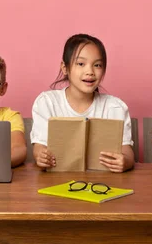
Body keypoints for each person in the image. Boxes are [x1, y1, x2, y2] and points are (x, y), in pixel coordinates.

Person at [30, 33, 134, 172]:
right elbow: (39, 147)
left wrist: (125, 161)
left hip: (103, 183)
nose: (90, 71)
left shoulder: (115, 107)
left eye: (97, 65)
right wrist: (41, 157)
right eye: (80, 64)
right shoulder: (47, 102)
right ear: (64, 67)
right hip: (57, 181)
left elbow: (127, 152)